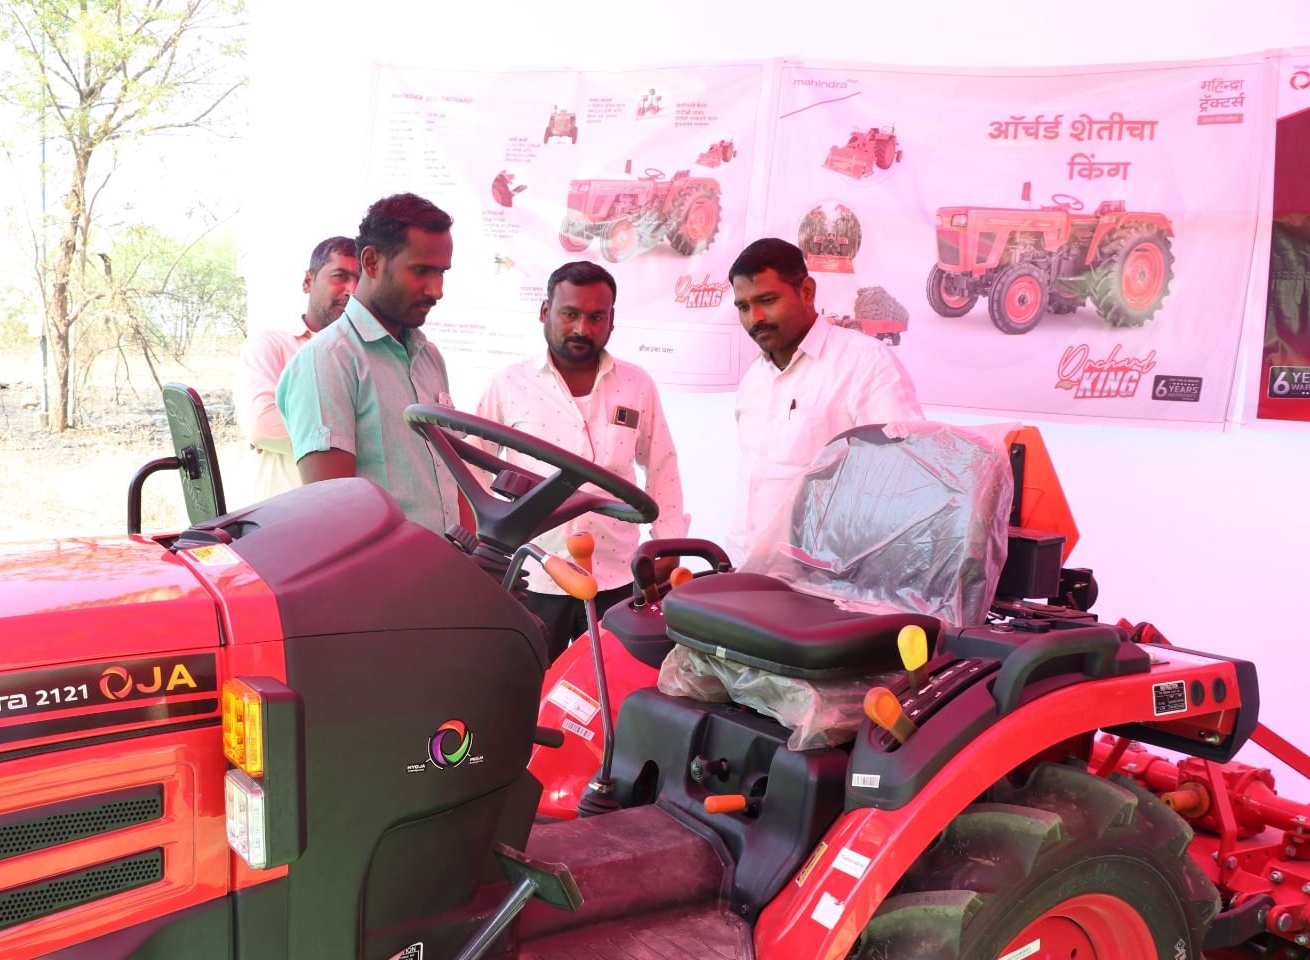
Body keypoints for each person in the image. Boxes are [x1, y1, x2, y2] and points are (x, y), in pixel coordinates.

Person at [476, 261, 688, 655]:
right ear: (545, 312)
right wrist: (479, 554)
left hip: (618, 576)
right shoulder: (509, 383)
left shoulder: (636, 384)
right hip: (534, 574)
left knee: (610, 693)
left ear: (611, 321)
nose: (581, 328)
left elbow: (661, 465)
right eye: (569, 314)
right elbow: (473, 463)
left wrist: (668, 543)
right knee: (531, 688)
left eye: (595, 317)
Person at [725, 236, 922, 563]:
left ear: (806, 292)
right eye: (743, 307)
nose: (754, 317)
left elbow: (904, 473)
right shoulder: (754, 379)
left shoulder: (863, 362)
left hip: (820, 583)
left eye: (767, 300)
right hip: (741, 568)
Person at [277, 193, 460, 532]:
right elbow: (330, 517)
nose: (437, 290)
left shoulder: (429, 356)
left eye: (442, 273)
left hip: (445, 572)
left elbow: (453, 478)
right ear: (372, 262)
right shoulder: (328, 360)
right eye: (421, 271)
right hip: (382, 581)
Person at [234, 236, 358, 503]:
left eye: (360, 280)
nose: (352, 289)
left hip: (352, 518)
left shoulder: (367, 356)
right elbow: (262, 425)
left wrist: (309, 429)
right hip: (282, 518)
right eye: (340, 276)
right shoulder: (271, 345)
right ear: (308, 281)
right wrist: (356, 435)